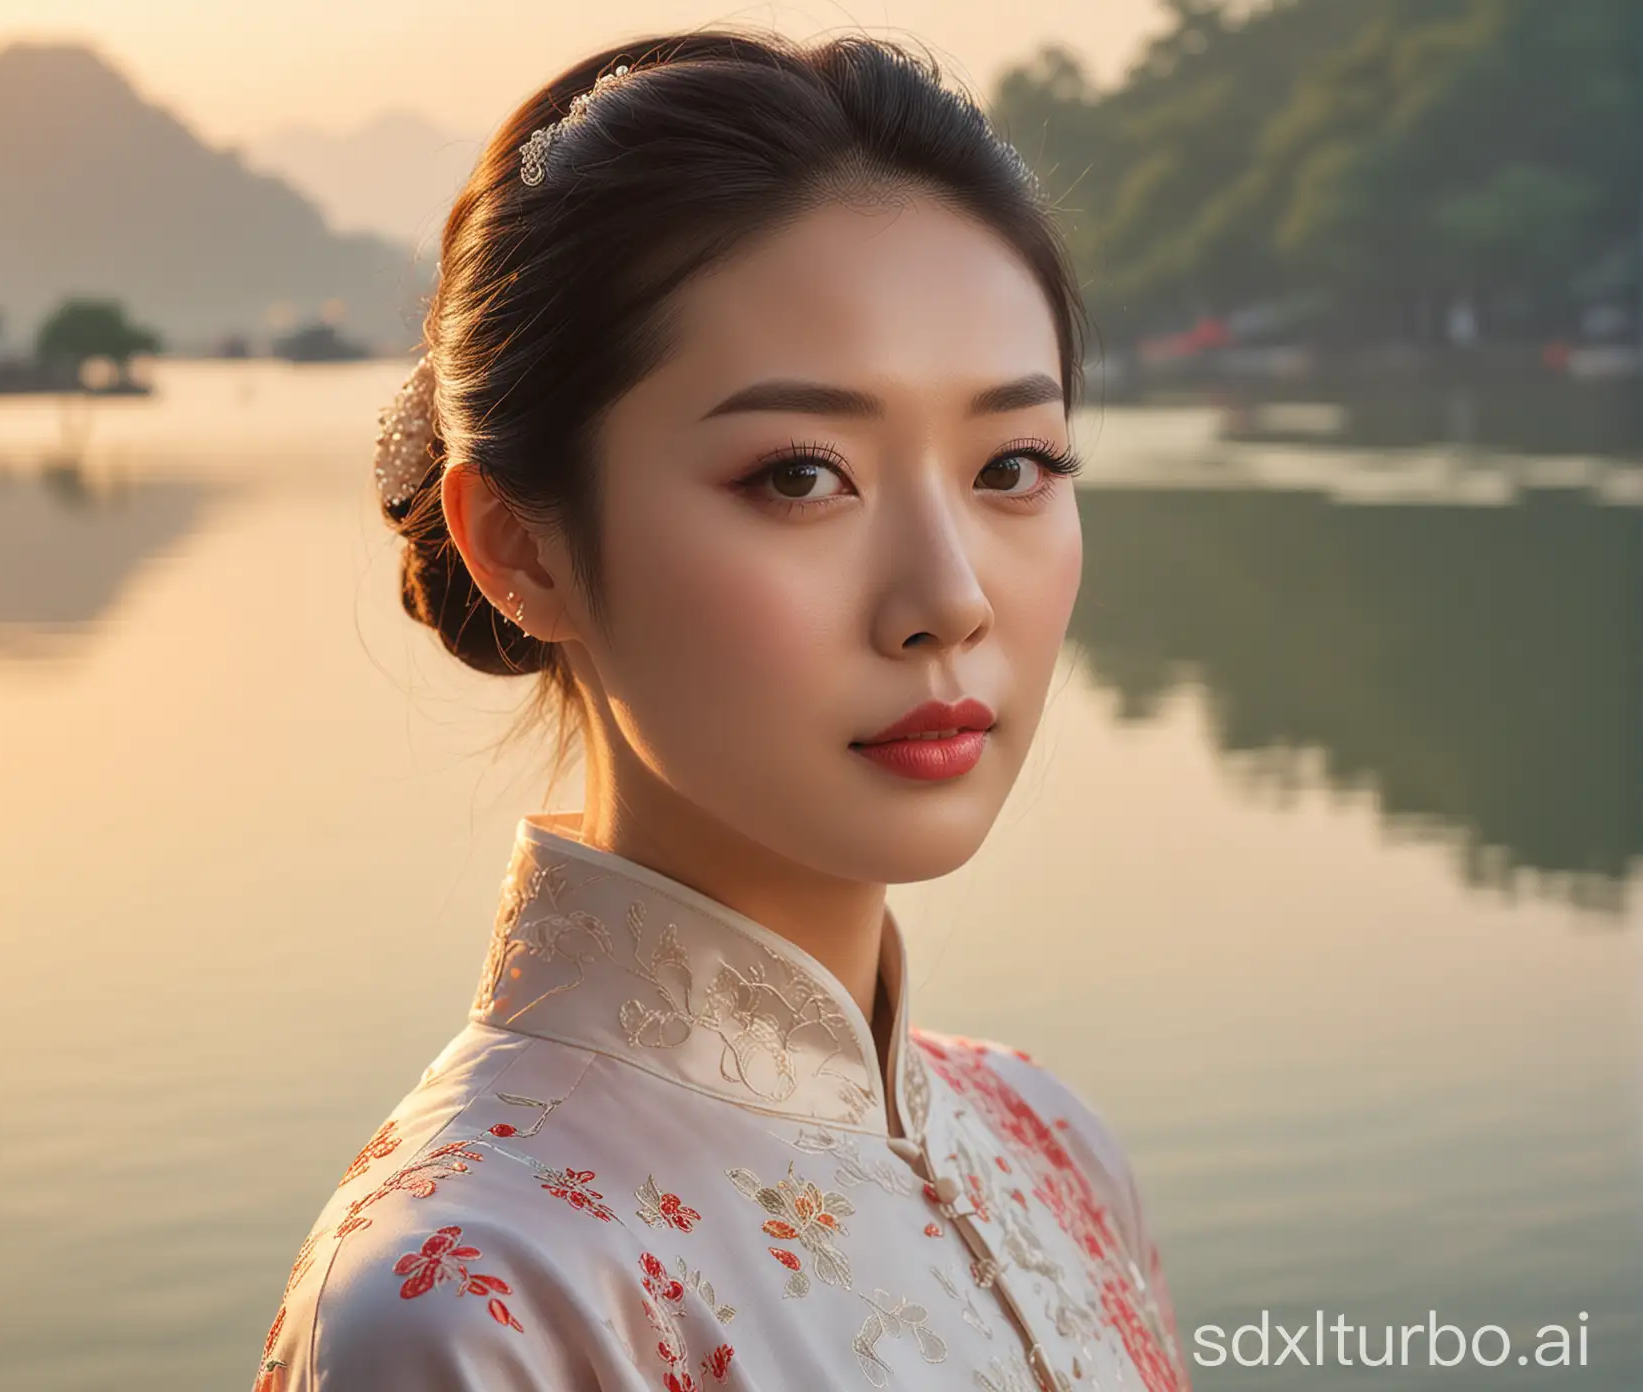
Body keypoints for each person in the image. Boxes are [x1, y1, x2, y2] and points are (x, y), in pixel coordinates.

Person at [255, 28, 1188, 1392]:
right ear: (521, 546)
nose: (948, 597)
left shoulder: (1051, 1140)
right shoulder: (476, 1301)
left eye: (1015, 463)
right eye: (801, 477)